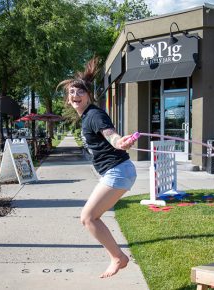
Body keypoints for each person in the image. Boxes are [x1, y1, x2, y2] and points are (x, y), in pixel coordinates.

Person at [57, 57, 137, 278]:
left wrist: (119, 142)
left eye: (79, 92)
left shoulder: (94, 114)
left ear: (88, 94)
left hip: (118, 169)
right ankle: (117, 256)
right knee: (90, 217)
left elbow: (110, 134)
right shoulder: (86, 117)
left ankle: (118, 257)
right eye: (72, 93)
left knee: (88, 218)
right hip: (117, 170)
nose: (75, 96)